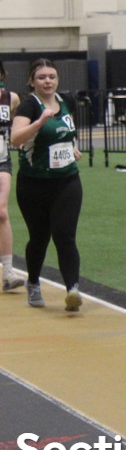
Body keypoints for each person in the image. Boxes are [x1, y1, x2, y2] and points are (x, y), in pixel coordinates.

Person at [11, 59, 85, 312]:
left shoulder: (67, 101)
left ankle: (73, 290)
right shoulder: (30, 105)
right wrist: (40, 121)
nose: (48, 81)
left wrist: (73, 146)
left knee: (65, 235)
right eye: (42, 77)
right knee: (39, 237)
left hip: (67, 180)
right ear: (32, 81)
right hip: (34, 184)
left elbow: (68, 130)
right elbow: (16, 139)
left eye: (52, 76)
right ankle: (33, 282)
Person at [0, 62, 25, 293]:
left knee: (1, 212)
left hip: (2, 160)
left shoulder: (12, 99)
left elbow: (15, 126)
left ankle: (8, 272)